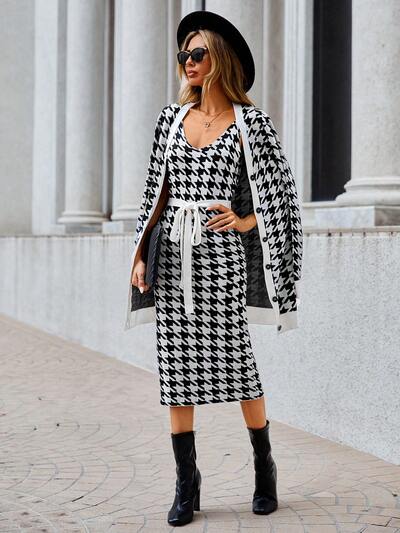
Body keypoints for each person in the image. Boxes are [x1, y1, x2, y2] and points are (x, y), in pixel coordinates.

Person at [130, 10, 295, 527]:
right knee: (177, 367)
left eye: (197, 53)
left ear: (219, 58)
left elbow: (282, 195)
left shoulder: (251, 124)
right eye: (183, 54)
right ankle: (187, 482)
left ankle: (264, 468)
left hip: (222, 257)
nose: (188, 61)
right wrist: (140, 254)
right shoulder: (170, 119)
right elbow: (156, 193)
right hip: (173, 253)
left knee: (238, 362)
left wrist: (245, 221)